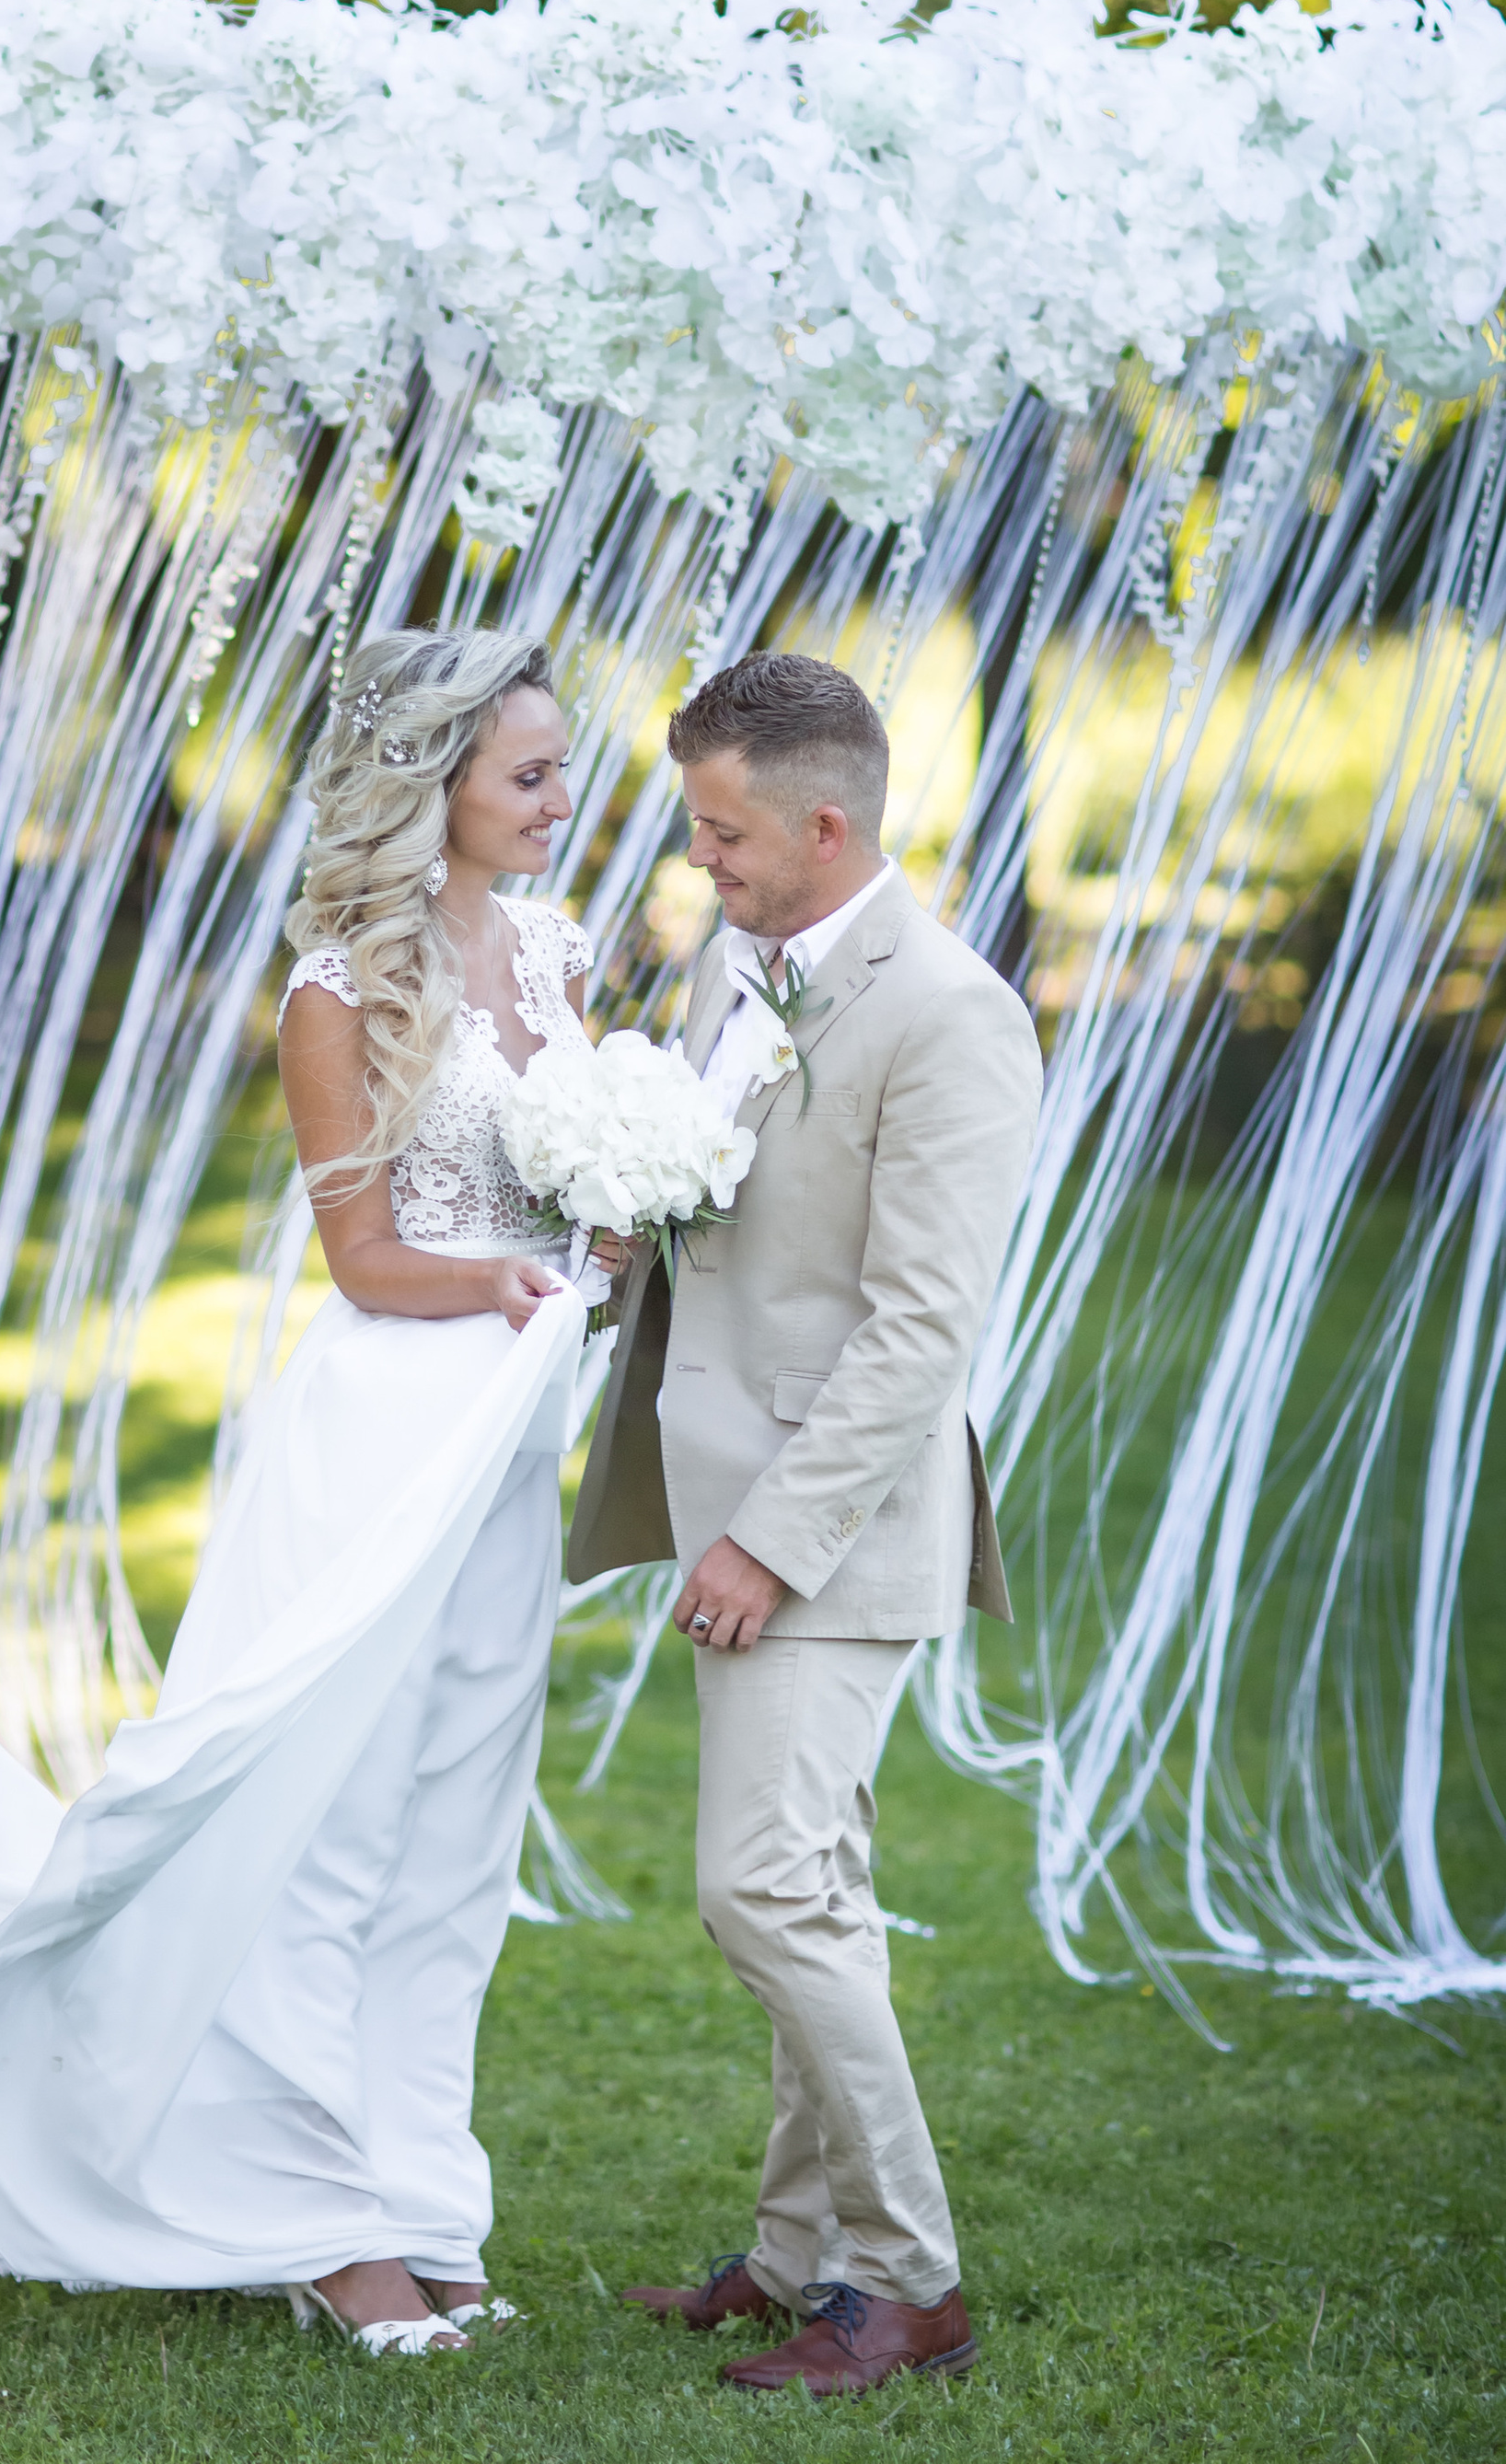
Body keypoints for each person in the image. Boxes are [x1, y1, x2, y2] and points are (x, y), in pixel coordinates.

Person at [0, 627, 612, 2356]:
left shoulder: (555, 950)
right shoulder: (335, 993)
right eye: (530, 773)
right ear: (433, 784)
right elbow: (364, 1256)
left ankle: (420, 2197)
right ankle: (320, 2225)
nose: (563, 800)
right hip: (385, 1436)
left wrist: (614, 1235)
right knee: (327, 1830)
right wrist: (507, 1281)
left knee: (455, 1839)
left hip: (512, 1443)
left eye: (561, 766)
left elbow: (560, 1181)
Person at [569, 648, 1040, 2400]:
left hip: (827, 1528)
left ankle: (909, 2286)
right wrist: (626, 1225)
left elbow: (921, 1330)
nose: (700, 860)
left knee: (762, 1888)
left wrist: (768, 1541)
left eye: (723, 833)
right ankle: (794, 2259)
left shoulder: (952, 1014)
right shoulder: (740, 967)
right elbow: (744, 1216)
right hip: (723, 1484)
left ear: (825, 826)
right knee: (810, 1885)